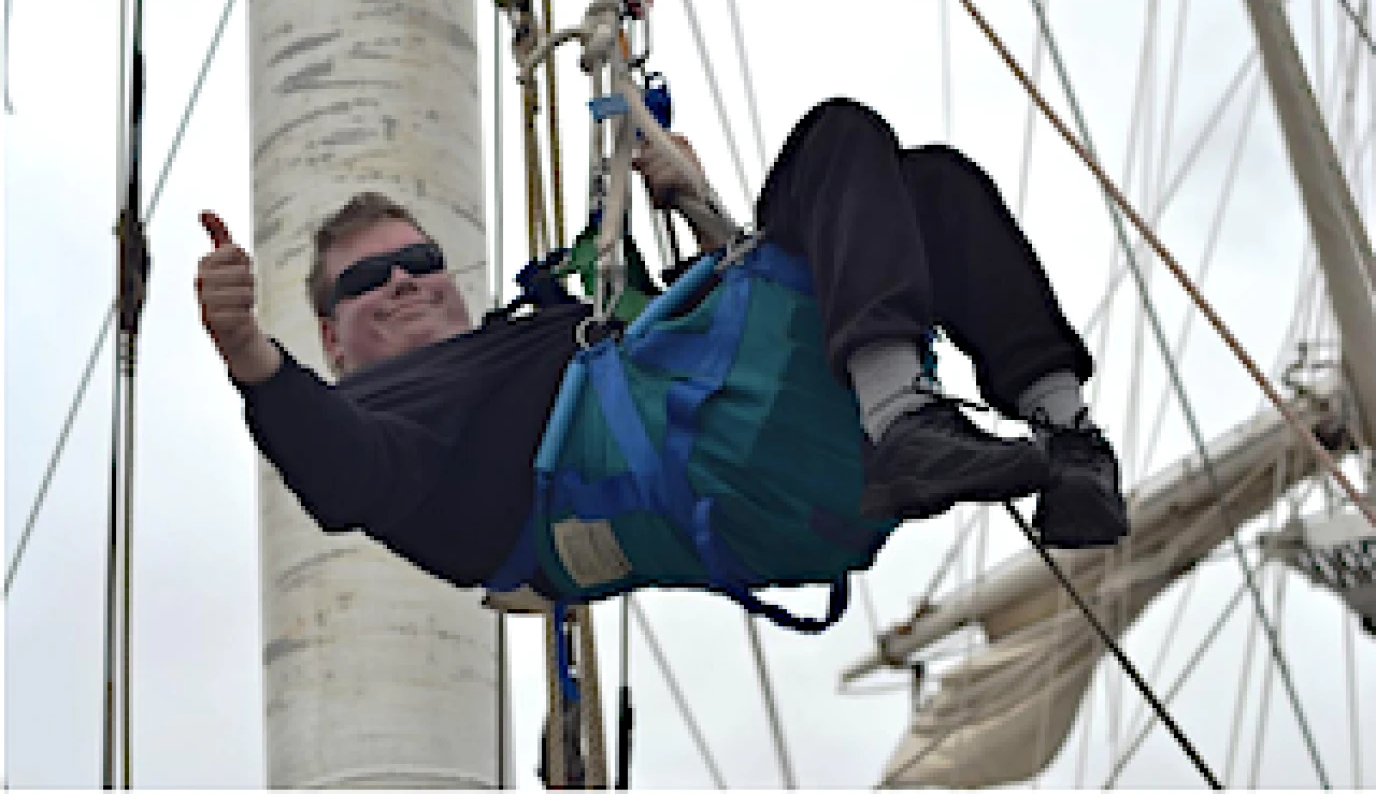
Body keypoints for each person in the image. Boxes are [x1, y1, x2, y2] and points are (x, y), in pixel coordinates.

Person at [197, 99, 1127, 597]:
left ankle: (1071, 439)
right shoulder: (386, 421)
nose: (401, 281)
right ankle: (904, 422)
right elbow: (341, 478)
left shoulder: (536, 346)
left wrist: (693, 199)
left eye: (418, 259)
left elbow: (709, 336)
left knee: (935, 187)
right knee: (838, 137)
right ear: (331, 340)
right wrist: (248, 352)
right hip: (733, 464)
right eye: (366, 281)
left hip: (764, 452)